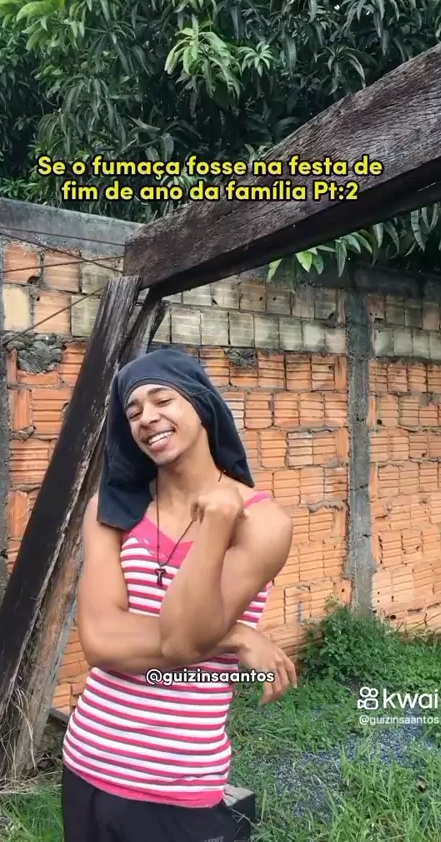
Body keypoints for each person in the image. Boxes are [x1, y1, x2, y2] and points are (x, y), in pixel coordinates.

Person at [61, 347, 296, 842]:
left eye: (162, 399)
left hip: (178, 782)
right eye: (133, 411)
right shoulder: (112, 511)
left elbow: (185, 639)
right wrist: (234, 635)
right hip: (87, 761)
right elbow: (100, 640)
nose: (146, 417)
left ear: (201, 405)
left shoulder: (262, 522)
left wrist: (216, 521)